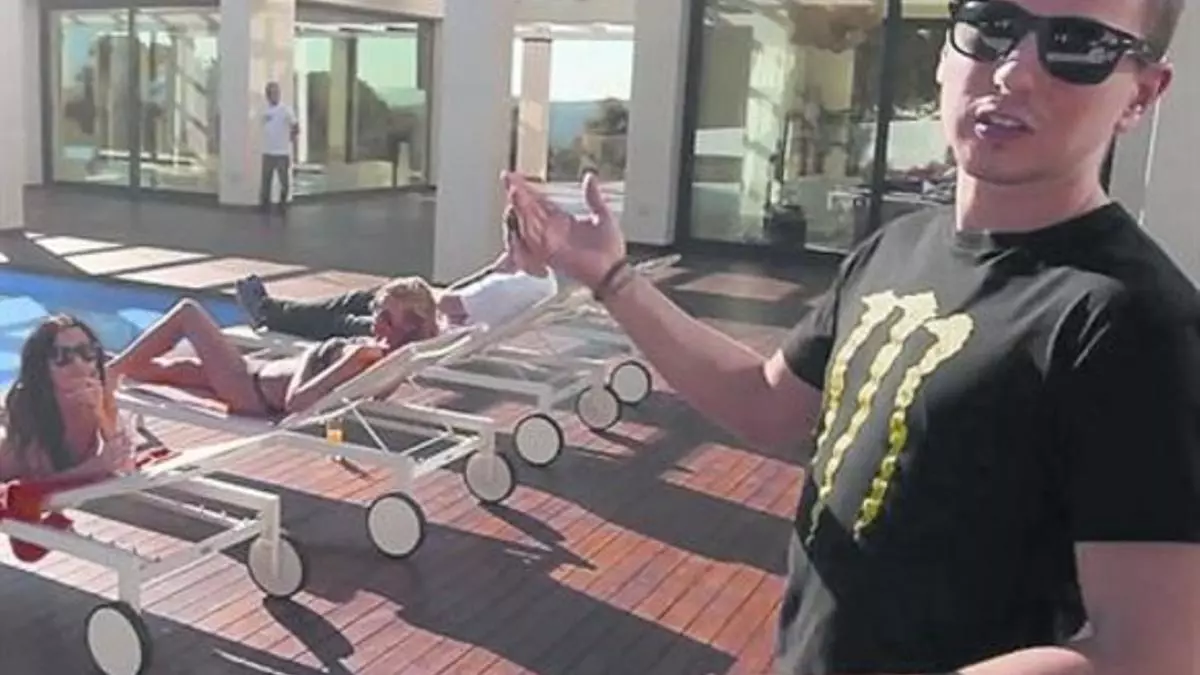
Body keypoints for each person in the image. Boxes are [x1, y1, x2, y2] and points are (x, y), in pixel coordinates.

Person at [504, 0, 1199, 673]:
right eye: (992, 25)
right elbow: (765, 402)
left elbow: (1154, 652)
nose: (1015, 70)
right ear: (945, 53)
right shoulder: (898, 248)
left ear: (1142, 94)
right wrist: (612, 277)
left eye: (1077, 45)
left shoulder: (1134, 323)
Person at [107, 277, 439, 417]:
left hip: (248, 387)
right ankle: (106, 367)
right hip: (253, 375)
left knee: (188, 312)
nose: (376, 321)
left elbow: (298, 401)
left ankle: (108, 372)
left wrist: (318, 357)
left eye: (386, 317)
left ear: (410, 324)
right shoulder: (394, 357)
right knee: (151, 370)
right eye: (377, 311)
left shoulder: (362, 357)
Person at [232, 206, 558, 341]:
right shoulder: (544, 280)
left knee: (341, 321)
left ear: (514, 238)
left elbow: (441, 303)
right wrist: (495, 269)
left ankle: (268, 312)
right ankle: (272, 310)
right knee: (358, 299)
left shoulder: (505, 288)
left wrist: (403, 290)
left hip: (423, 335)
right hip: (439, 327)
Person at [0, 316, 135, 483]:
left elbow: (126, 464)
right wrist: (95, 467)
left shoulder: (100, 392)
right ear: (42, 364)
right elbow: (38, 483)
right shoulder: (31, 405)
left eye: (86, 351)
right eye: (61, 355)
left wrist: (101, 413)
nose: (78, 363)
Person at [260, 81, 299, 214]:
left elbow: (295, 126)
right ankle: (264, 206)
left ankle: (283, 205)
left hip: (281, 152)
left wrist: (291, 138)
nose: (275, 95)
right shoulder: (264, 110)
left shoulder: (285, 109)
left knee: (284, 182)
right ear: (268, 95)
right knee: (266, 181)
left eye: (277, 93)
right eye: (272, 93)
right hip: (267, 151)